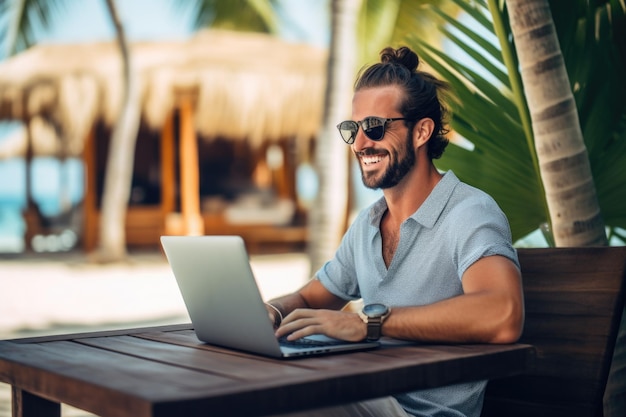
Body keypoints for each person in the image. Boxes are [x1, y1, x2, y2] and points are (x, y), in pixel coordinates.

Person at [266, 46, 524, 417]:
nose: (360, 143)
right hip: (366, 394)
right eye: (353, 128)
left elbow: (503, 313)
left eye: (374, 127)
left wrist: (368, 323)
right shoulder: (368, 224)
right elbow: (309, 299)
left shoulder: (469, 212)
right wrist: (272, 311)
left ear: (421, 132)